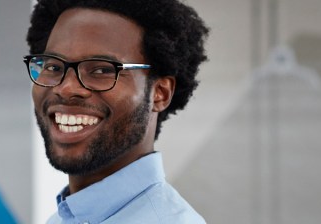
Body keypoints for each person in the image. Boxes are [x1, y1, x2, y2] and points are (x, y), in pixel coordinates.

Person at [23, 0, 209, 223]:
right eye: (53, 67)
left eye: (102, 70)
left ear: (160, 92)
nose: (66, 88)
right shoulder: (64, 217)